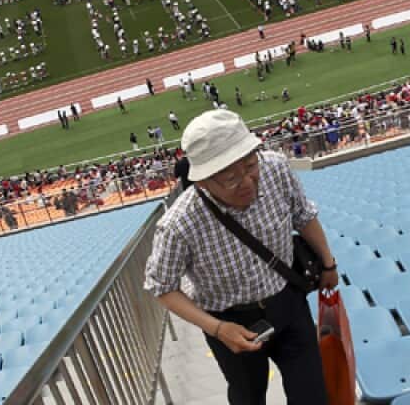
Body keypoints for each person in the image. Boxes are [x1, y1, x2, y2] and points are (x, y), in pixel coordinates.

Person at [143, 110, 338, 405]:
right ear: (203, 182)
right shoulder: (179, 225)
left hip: (288, 303)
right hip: (231, 322)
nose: (247, 181)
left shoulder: (275, 168)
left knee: (313, 394)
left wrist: (328, 262)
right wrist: (218, 329)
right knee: (248, 396)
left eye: (250, 165)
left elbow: (304, 215)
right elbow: (162, 287)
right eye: (230, 178)